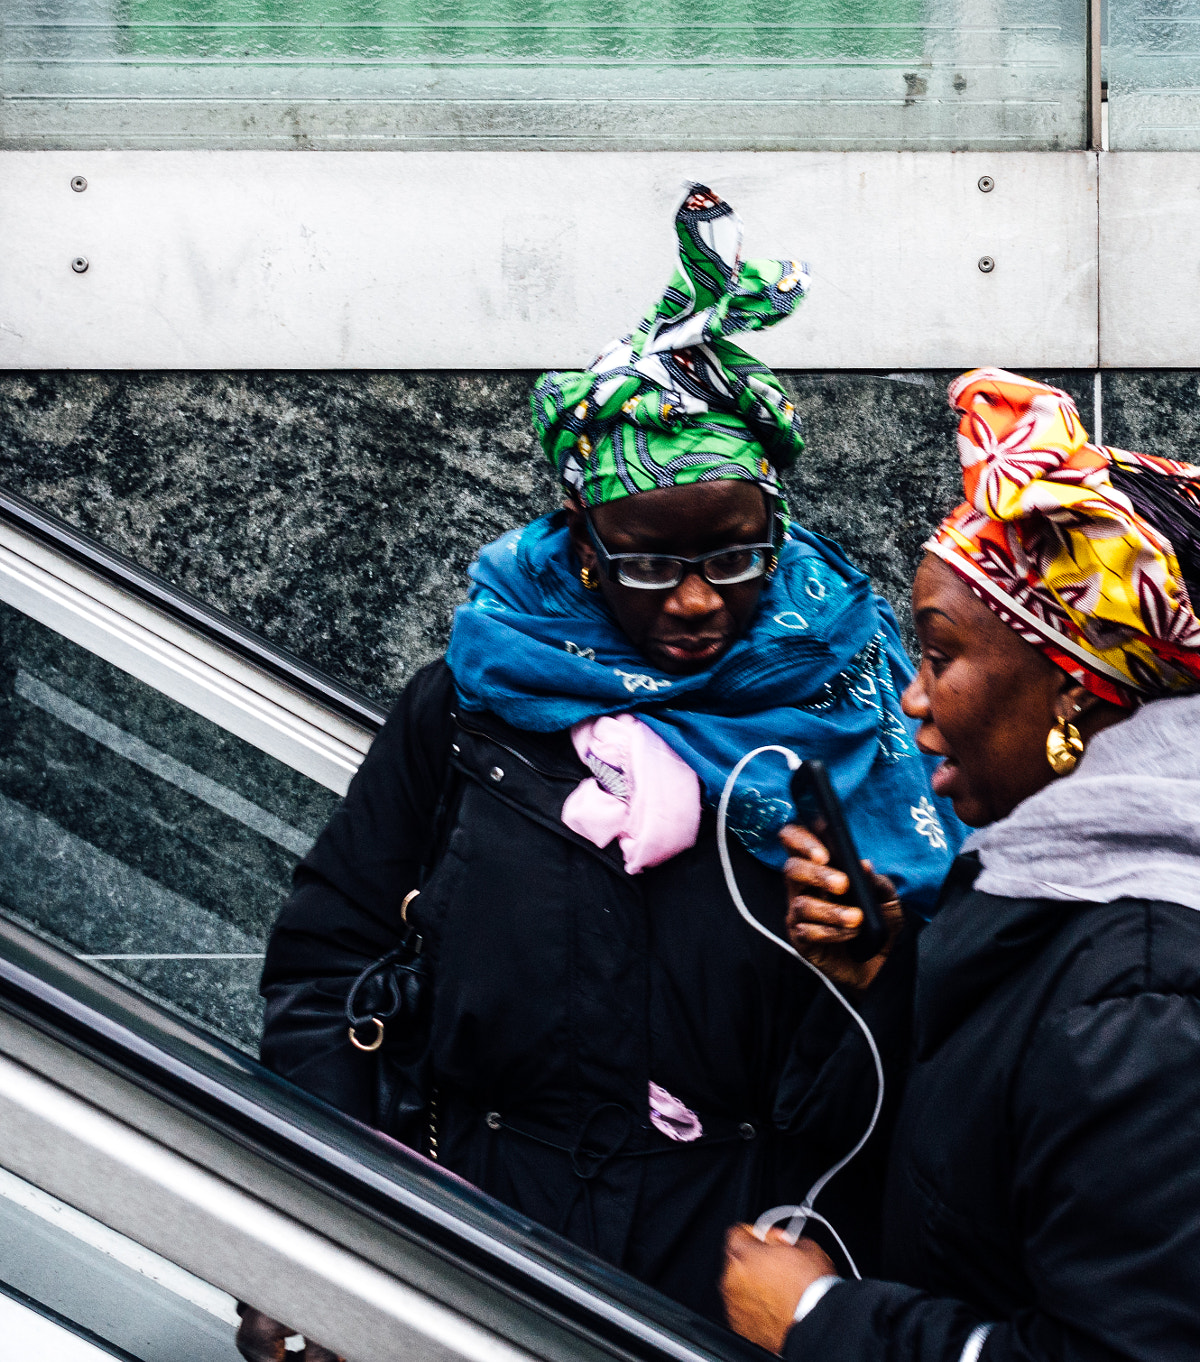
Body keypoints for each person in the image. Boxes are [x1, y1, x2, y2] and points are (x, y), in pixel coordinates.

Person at [244, 184, 961, 1359]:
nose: (693, 600)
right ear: (579, 542)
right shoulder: (474, 702)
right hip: (471, 1235)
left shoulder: (861, 706)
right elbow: (329, 960)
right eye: (646, 562)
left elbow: (954, 1013)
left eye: (734, 557)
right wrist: (321, 1234)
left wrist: (877, 960)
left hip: (742, 1267)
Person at [722, 369, 1200, 1362]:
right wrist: (891, 978)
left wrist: (827, 1325)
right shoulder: (1187, 900)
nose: (913, 700)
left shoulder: (1162, 998)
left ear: (1073, 693)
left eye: (940, 652)